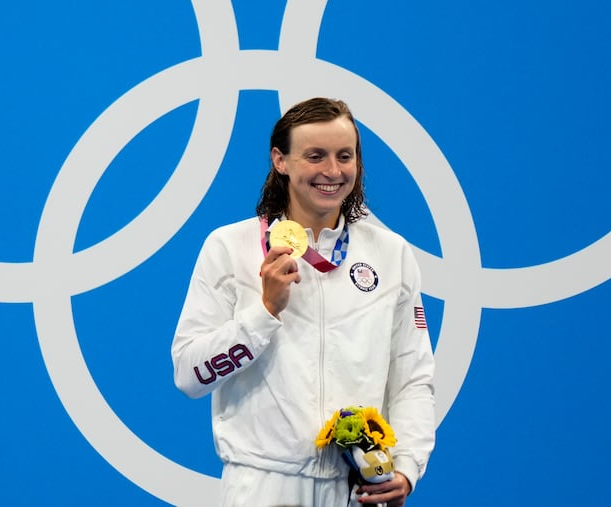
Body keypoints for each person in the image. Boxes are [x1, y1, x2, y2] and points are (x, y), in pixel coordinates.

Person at [172, 97, 435, 507]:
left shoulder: (392, 254)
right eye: (315, 156)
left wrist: (407, 464)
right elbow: (189, 375)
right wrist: (263, 313)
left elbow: (413, 377)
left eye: (344, 156)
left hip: (358, 485)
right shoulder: (228, 248)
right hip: (262, 486)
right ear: (281, 160)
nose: (332, 171)